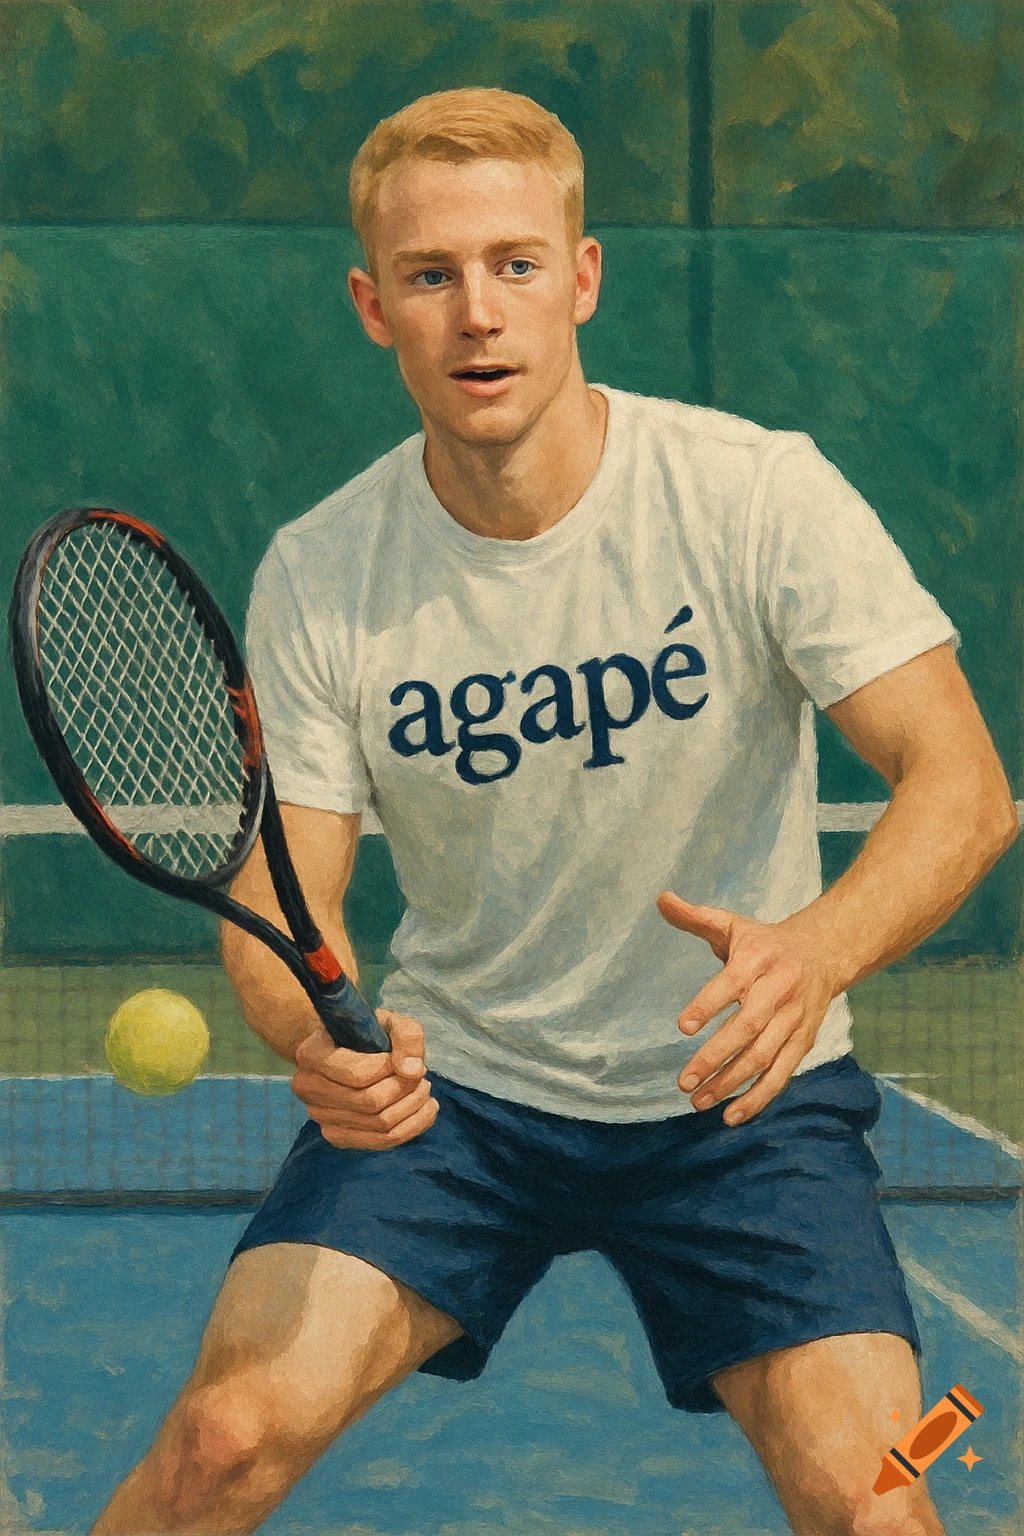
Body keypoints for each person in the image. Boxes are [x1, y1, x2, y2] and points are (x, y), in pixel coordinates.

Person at [91, 87, 1017, 1536]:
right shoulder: (325, 571)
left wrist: (816, 950)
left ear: (582, 278)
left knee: (880, 1500)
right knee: (220, 1440)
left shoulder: (757, 494)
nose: (478, 313)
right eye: (430, 274)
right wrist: (309, 1044)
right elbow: (288, 907)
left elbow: (963, 787)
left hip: (742, 1104)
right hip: (455, 1105)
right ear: (370, 304)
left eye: (517, 264)